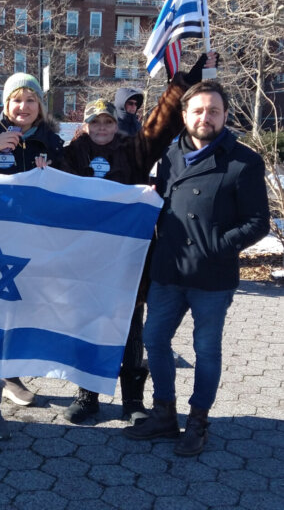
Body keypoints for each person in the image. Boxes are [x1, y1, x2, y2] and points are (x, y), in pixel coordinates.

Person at [61, 53, 217, 426]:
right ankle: (87, 397)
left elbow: (160, 123)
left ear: (116, 124)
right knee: (89, 323)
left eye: (107, 121)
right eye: (95, 122)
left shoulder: (131, 150)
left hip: (127, 259)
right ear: (85, 125)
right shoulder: (68, 155)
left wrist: (189, 75)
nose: (102, 127)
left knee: (131, 326)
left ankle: (132, 399)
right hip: (85, 260)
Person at [124, 79, 269, 456]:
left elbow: (258, 222)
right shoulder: (171, 155)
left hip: (211, 275)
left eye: (214, 111)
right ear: (185, 115)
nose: (206, 117)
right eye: (198, 110)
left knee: (206, 350)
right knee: (155, 340)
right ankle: (164, 413)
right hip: (168, 271)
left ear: (224, 116)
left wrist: (217, 247)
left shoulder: (245, 161)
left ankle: (198, 421)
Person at [0, 72, 64, 438]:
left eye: (31, 100)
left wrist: (51, 175)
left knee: (20, 312)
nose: (23, 107)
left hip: (31, 242)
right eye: (16, 100)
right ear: (5, 105)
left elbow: (65, 189)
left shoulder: (51, 142)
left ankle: (10, 375)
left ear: (40, 106)